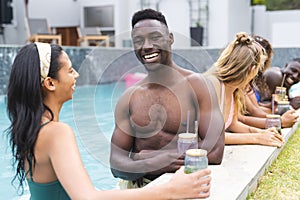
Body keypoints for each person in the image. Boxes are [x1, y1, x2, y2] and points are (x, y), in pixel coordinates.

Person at [5, 42, 212, 199]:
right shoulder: (56, 132)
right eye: (69, 70)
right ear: (50, 83)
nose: (76, 75)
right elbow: (87, 197)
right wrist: (170, 190)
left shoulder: (31, 128)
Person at [110, 9, 224, 188]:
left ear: (170, 38)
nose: (146, 46)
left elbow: (215, 152)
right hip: (140, 189)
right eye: (138, 41)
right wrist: (149, 163)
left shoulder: (197, 86)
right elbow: (116, 164)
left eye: (155, 37)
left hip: (185, 185)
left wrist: (146, 158)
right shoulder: (129, 97)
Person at [204, 32, 284, 147]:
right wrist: (257, 137)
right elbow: (211, 136)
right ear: (251, 69)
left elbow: (233, 124)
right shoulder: (213, 85)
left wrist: (262, 132)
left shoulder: (235, 89)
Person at [239, 35, 298, 129]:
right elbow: (249, 113)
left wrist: (274, 108)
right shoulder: (275, 75)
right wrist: (279, 120)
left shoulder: (248, 82)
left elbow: (255, 108)